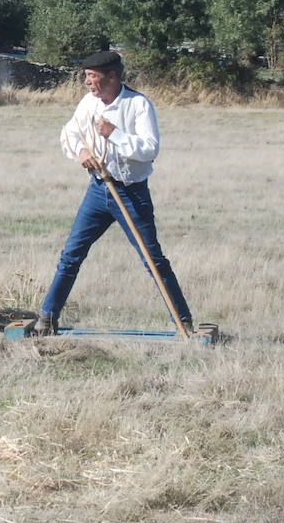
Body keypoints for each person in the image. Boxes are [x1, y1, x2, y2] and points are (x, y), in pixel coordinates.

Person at [36, 50, 193, 335]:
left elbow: (149, 150)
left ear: (111, 76)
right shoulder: (88, 103)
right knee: (71, 255)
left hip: (131, 194)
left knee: (152, 260)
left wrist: (114, 134)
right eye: (86, 77)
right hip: (98, 191)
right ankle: (46, 318)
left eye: (92, 77)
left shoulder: (138, 104)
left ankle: (183, 323)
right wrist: (81, 151)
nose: (87, 83)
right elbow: (68, 134)